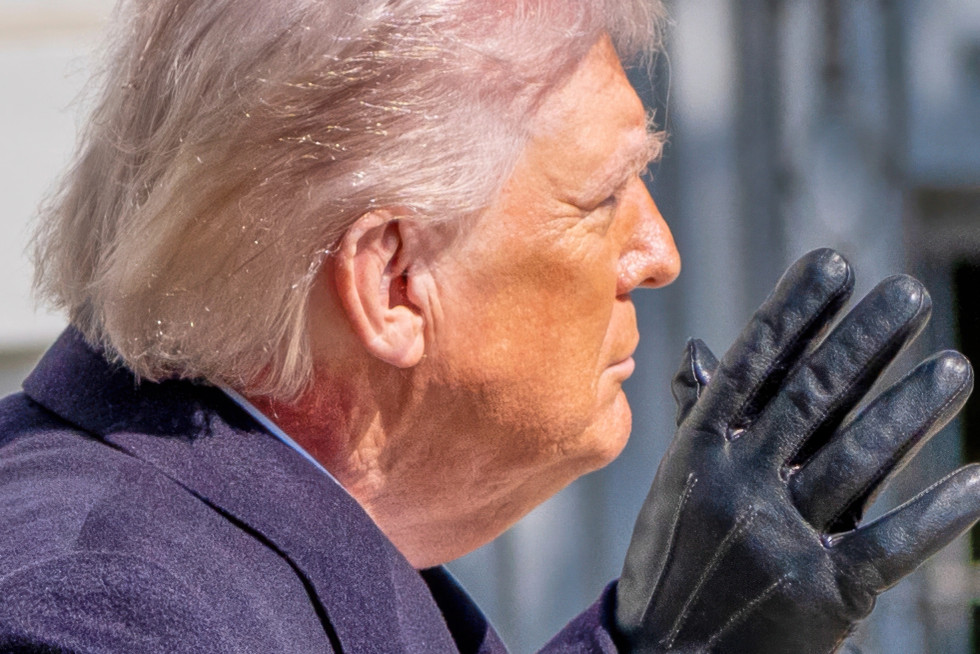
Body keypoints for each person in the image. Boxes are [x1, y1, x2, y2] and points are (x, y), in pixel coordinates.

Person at [1, 1, 978, 652]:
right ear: (392, 281)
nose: (657, 252)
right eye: (603, 198)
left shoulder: (203, 541)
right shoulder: (104, 610)